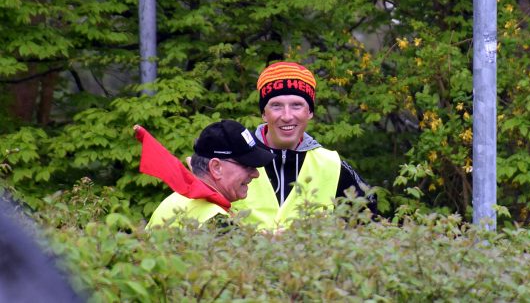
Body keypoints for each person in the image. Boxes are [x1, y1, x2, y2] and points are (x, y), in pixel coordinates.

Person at [232, 61, 377, 230]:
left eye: (296, 105)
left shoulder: (331, 164)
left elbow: (368, 222)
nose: (287, 116)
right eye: (276, 105)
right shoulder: (232, 158)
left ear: (310, 112)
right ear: (264, 113)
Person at [138, 119, 275, 228]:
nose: (256, 174)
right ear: (216, 168)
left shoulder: (174, 201)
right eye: (247, 165)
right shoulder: (217, 222)